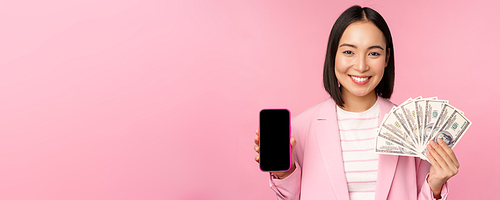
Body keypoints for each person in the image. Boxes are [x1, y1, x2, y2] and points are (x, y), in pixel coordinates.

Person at [253, 5, 459, 200]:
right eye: (349, 52)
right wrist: (285, 172)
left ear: (387, 58)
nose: (361, 66)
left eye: (374, 53)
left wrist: (435, 185)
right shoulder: (299, 129)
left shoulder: (413, 128)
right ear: (333, 54)